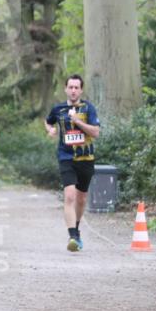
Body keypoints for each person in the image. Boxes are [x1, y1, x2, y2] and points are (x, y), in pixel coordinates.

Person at [45, 74, 100, 253]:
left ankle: (76, 228)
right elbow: (48, 121)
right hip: (66, 157)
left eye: (77, 87)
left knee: (81, 198)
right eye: (71, 87)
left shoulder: (88, 108)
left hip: (85, 159)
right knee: (69, 195)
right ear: (66, 89)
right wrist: (51, 129)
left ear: (81, 90)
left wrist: (77, 121)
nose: (74, 90)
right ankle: (73, 236)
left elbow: (96, 132)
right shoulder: (58, 109)